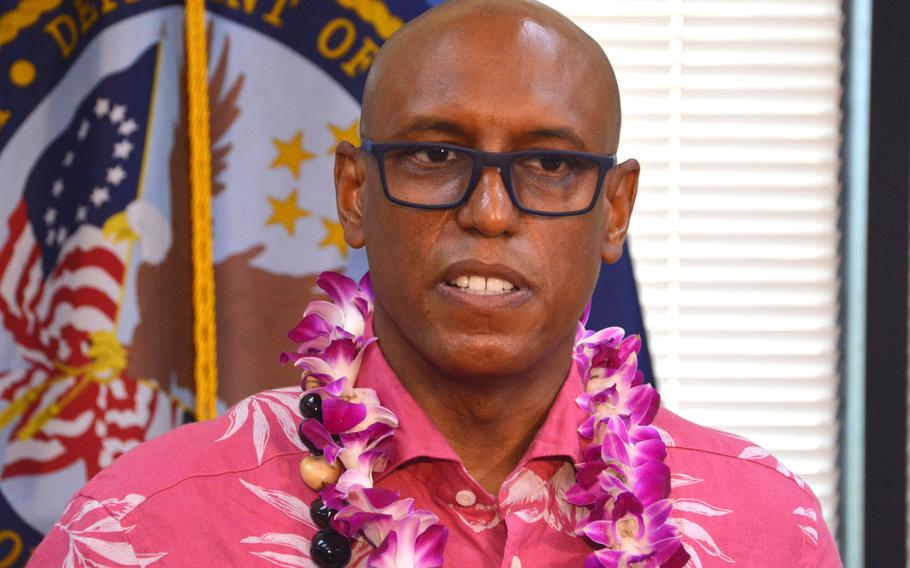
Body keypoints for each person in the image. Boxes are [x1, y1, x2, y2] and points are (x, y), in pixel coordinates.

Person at [30, 0, 841, 566]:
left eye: (551, 164)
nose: (490, 214)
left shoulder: (768, 527)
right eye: (435, 155)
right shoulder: (138, 527)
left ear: (615, 209)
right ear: (354, 193)